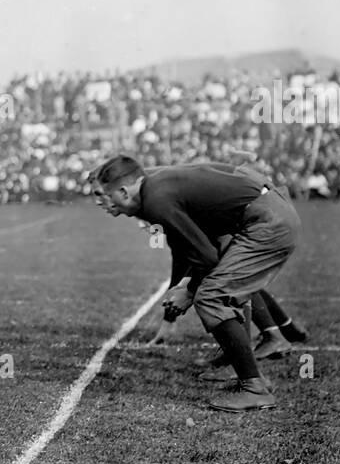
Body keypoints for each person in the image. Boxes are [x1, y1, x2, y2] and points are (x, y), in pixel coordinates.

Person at [92, 156, 301, 412]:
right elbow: (186, 250)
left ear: (123, 191)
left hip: (266, 221)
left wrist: (188, 292)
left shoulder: (157, 199)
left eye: (102, 195)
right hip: (265, 211)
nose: (99, 203)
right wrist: (177, 300)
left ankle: (255, 388)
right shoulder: (156, 188)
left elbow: (205, 257)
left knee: (212, 296)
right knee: (221, 287)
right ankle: (240, 369)